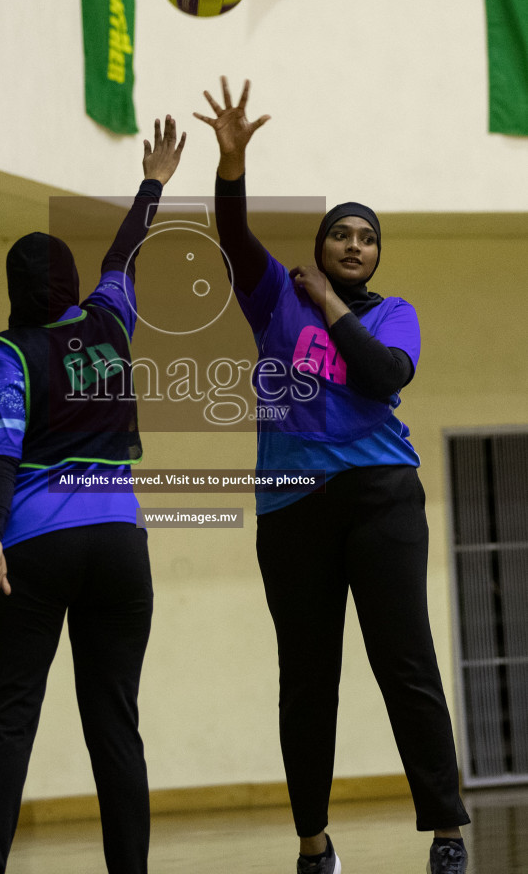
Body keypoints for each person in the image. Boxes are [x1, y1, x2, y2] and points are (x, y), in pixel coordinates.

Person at [195, 78, 470, 874]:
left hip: (381, 498)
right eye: (340, 235)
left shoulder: (392, 312)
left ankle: (447, 832)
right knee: (306, 679)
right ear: (319, 246)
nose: (354, 245)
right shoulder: (275, 299)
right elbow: (235, 235)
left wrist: (335, 307)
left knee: (405, 663)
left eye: (365, 238)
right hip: (290, 510)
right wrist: (232, 163)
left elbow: (385, 378)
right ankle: (314, 843)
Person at [0, 117, 186, 874]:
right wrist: (153, 183)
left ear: (20, 290)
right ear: (66, 280)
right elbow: (124, 254)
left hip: (33, 546)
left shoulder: (7, 350)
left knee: (8, 725)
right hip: (121, 545)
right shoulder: (111, 323)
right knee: (116, 726)